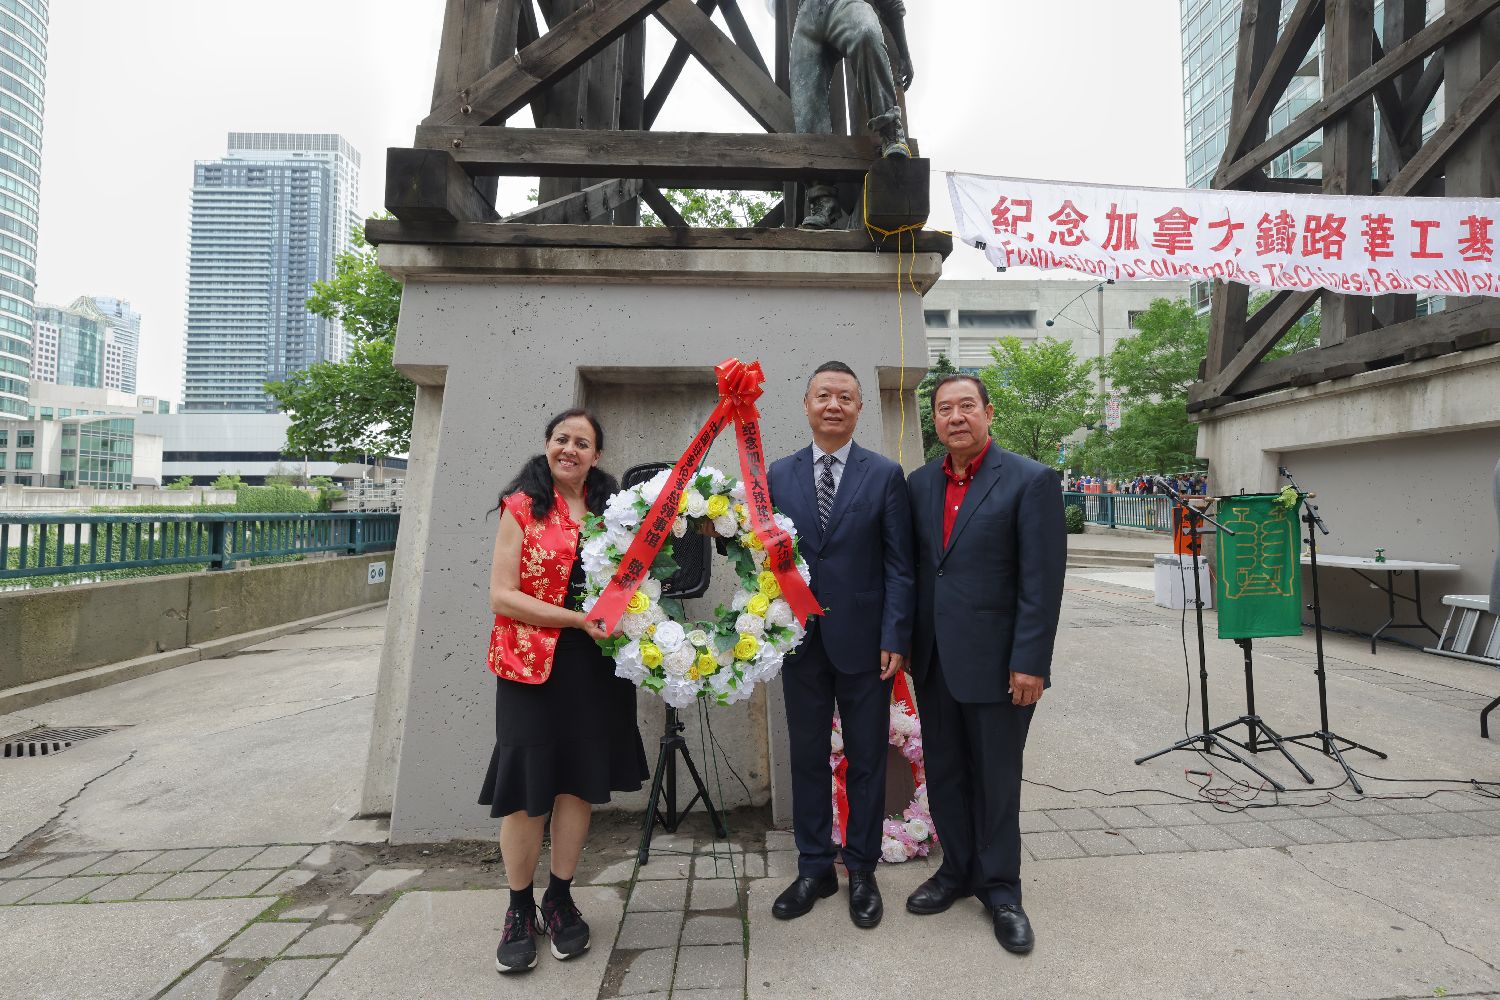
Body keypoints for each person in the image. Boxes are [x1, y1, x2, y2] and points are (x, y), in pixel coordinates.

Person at [482, 409, 649, 975]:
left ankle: (559, 897)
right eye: (562, 439)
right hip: (530, 665)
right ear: (548, 445)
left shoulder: (614, 510)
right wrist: (577, 619)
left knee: (578, 784)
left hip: (596, 668)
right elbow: (502, 595)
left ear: (597, 455)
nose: (570, 450)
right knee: (528, 791)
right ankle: (517, 908)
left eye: (582, 443)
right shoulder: (521, 506)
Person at [904, 374, 1066, 955]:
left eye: (966, 406)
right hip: (935, 662)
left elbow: (1041, 583)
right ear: (935, 420)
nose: (955, 417)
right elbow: (916, 571)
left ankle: (1001, 890)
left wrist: (1031, 662)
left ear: (988, 413)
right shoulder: (919, 483)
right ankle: (956, 871)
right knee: (946, 774)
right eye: (944, 408)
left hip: (1001, 668)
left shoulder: (1030, 480)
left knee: (996, 780)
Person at [766, 360, 915, 928]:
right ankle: (813, 868)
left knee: (866, 759)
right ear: (806, 405)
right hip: (799, 641)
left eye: (845, 397)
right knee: (806, 756)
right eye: (823, 396)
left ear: (859, 408)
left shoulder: (884, 475)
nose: (834, 405)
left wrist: (894, 634)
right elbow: (763, 559)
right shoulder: (777, 475)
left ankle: (862, 868)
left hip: (866, 645)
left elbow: (899, 565)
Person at [791, 0, 915, 229]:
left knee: (866, 34)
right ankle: (822, 198)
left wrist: (904, 52)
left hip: (846, 4)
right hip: (807, 15)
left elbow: (892, 4)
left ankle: (890, 131)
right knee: (805, 100)